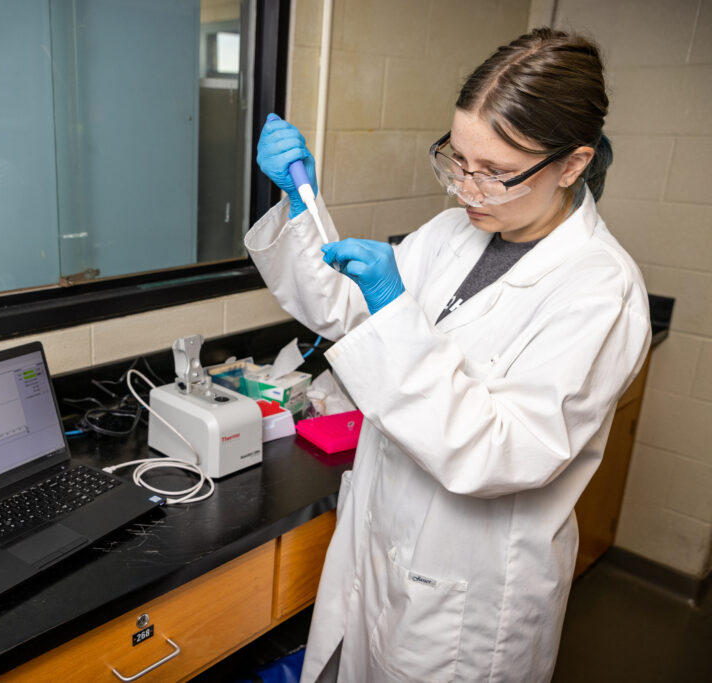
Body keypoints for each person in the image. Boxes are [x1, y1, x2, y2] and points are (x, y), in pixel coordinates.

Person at [245, 28, 650, 682]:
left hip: (467, 594)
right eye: (457, 159)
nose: (466, 188)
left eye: (494, 172)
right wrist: (303, 204)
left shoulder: (600, 291)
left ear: (573, 164)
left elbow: (495, 449)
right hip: (380, 541)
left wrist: (393, 309)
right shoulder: (457, 229)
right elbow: (349, 317)